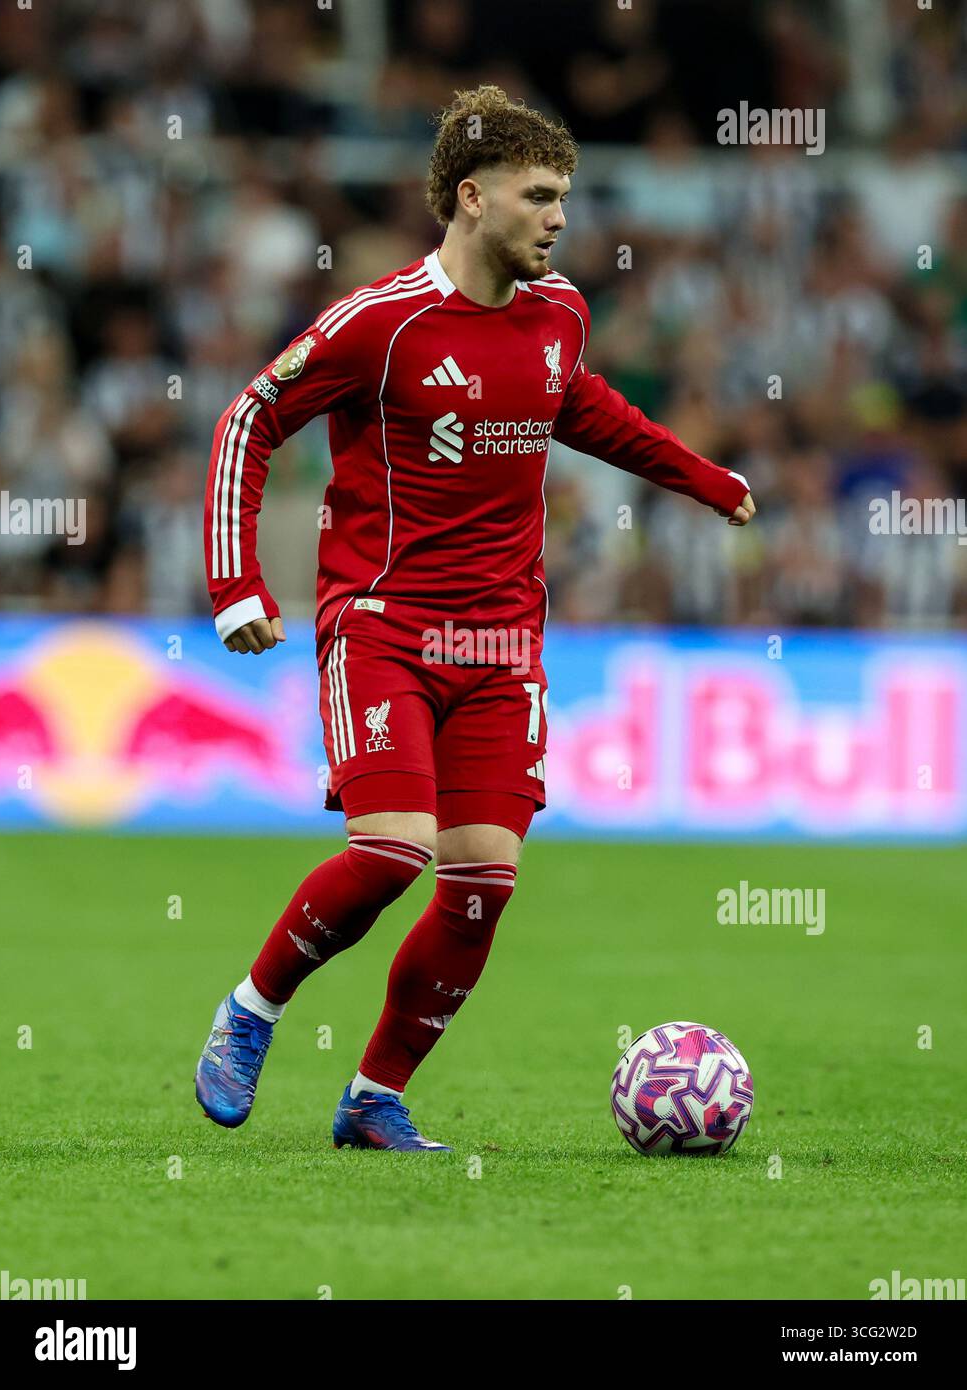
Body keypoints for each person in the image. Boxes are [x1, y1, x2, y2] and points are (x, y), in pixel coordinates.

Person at [196, 85, 754, 1151]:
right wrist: (235, 585)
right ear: (471, 197)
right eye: (539, 196)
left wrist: (702, 478)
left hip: (504, 645)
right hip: (383, 626)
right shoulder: (381, 323)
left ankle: (373, 1098)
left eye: (565, 198)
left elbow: (577, 405)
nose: (558, 218)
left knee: (481, 885)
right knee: (394, 849)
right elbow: (251, 415)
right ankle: (251, 1011)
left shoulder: (560, 315)